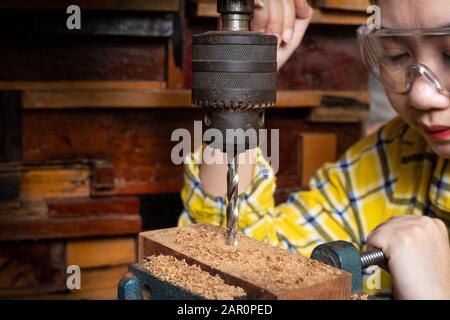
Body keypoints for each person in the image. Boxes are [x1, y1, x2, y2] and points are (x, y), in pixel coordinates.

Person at [179, 0, 450, 299]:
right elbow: (235, 263)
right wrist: (242, 75)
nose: (422, 95)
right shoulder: (391, 159)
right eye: (396, 55)